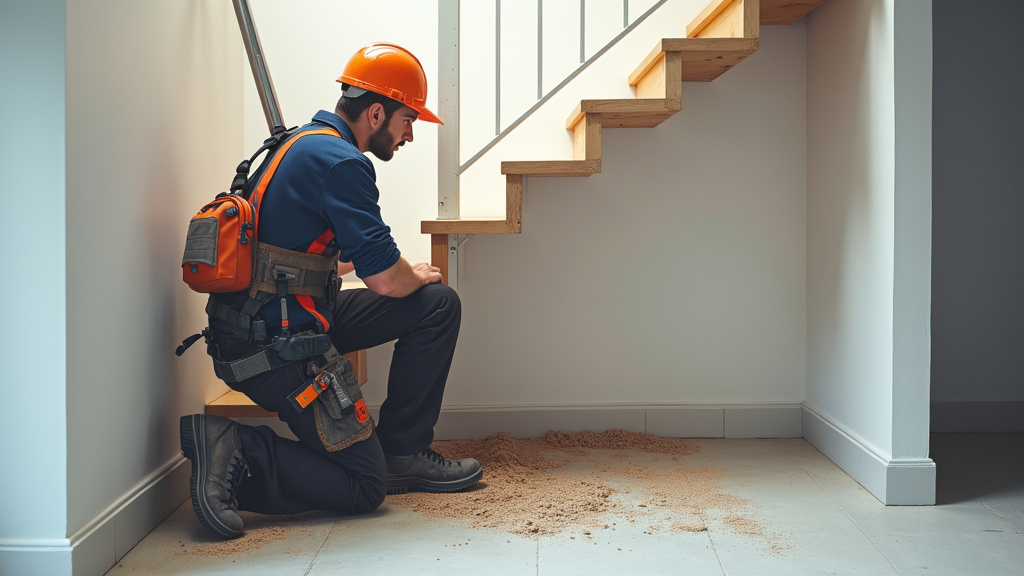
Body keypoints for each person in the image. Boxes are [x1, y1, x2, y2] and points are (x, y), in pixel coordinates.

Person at [178, 43, 482, 540]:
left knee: (435, 305)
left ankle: (402, 452)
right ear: (377, 111)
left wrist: (407, 278)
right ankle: (235, 448)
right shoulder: (343, 162)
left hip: (275, 314)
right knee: (366, 485)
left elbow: (315, 255)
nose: (409, 134)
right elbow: (384, 278)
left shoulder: (302, 142)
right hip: (272, 342)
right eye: (408, 119)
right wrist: (411, 274)